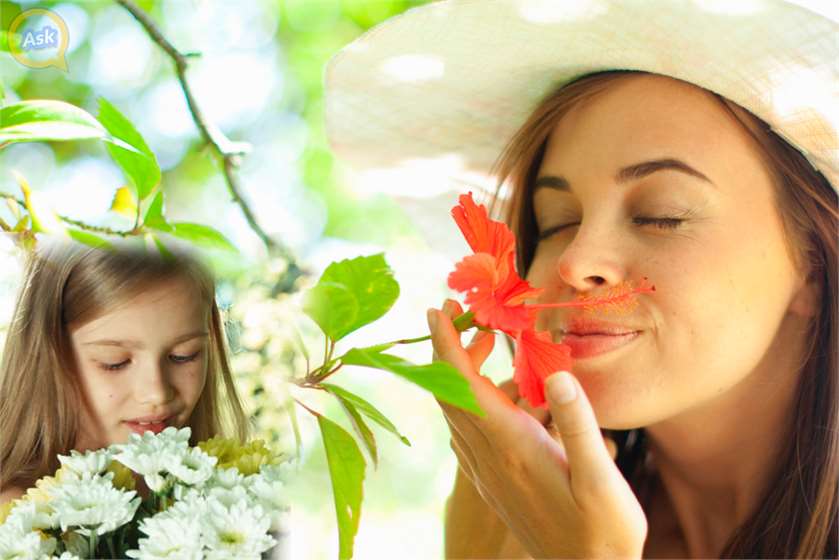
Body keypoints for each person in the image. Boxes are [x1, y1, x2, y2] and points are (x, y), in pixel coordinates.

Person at [322, 0, 838, 557]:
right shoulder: (503, 527)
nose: (573, 262)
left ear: (811, 265)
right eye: (556, 223)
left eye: (661, 214)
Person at [0, 236, 251, 506]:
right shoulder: (21, 519)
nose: (156, 394)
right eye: (114, 362)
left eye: (183, 356)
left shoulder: (228, 492)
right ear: (45, 356)